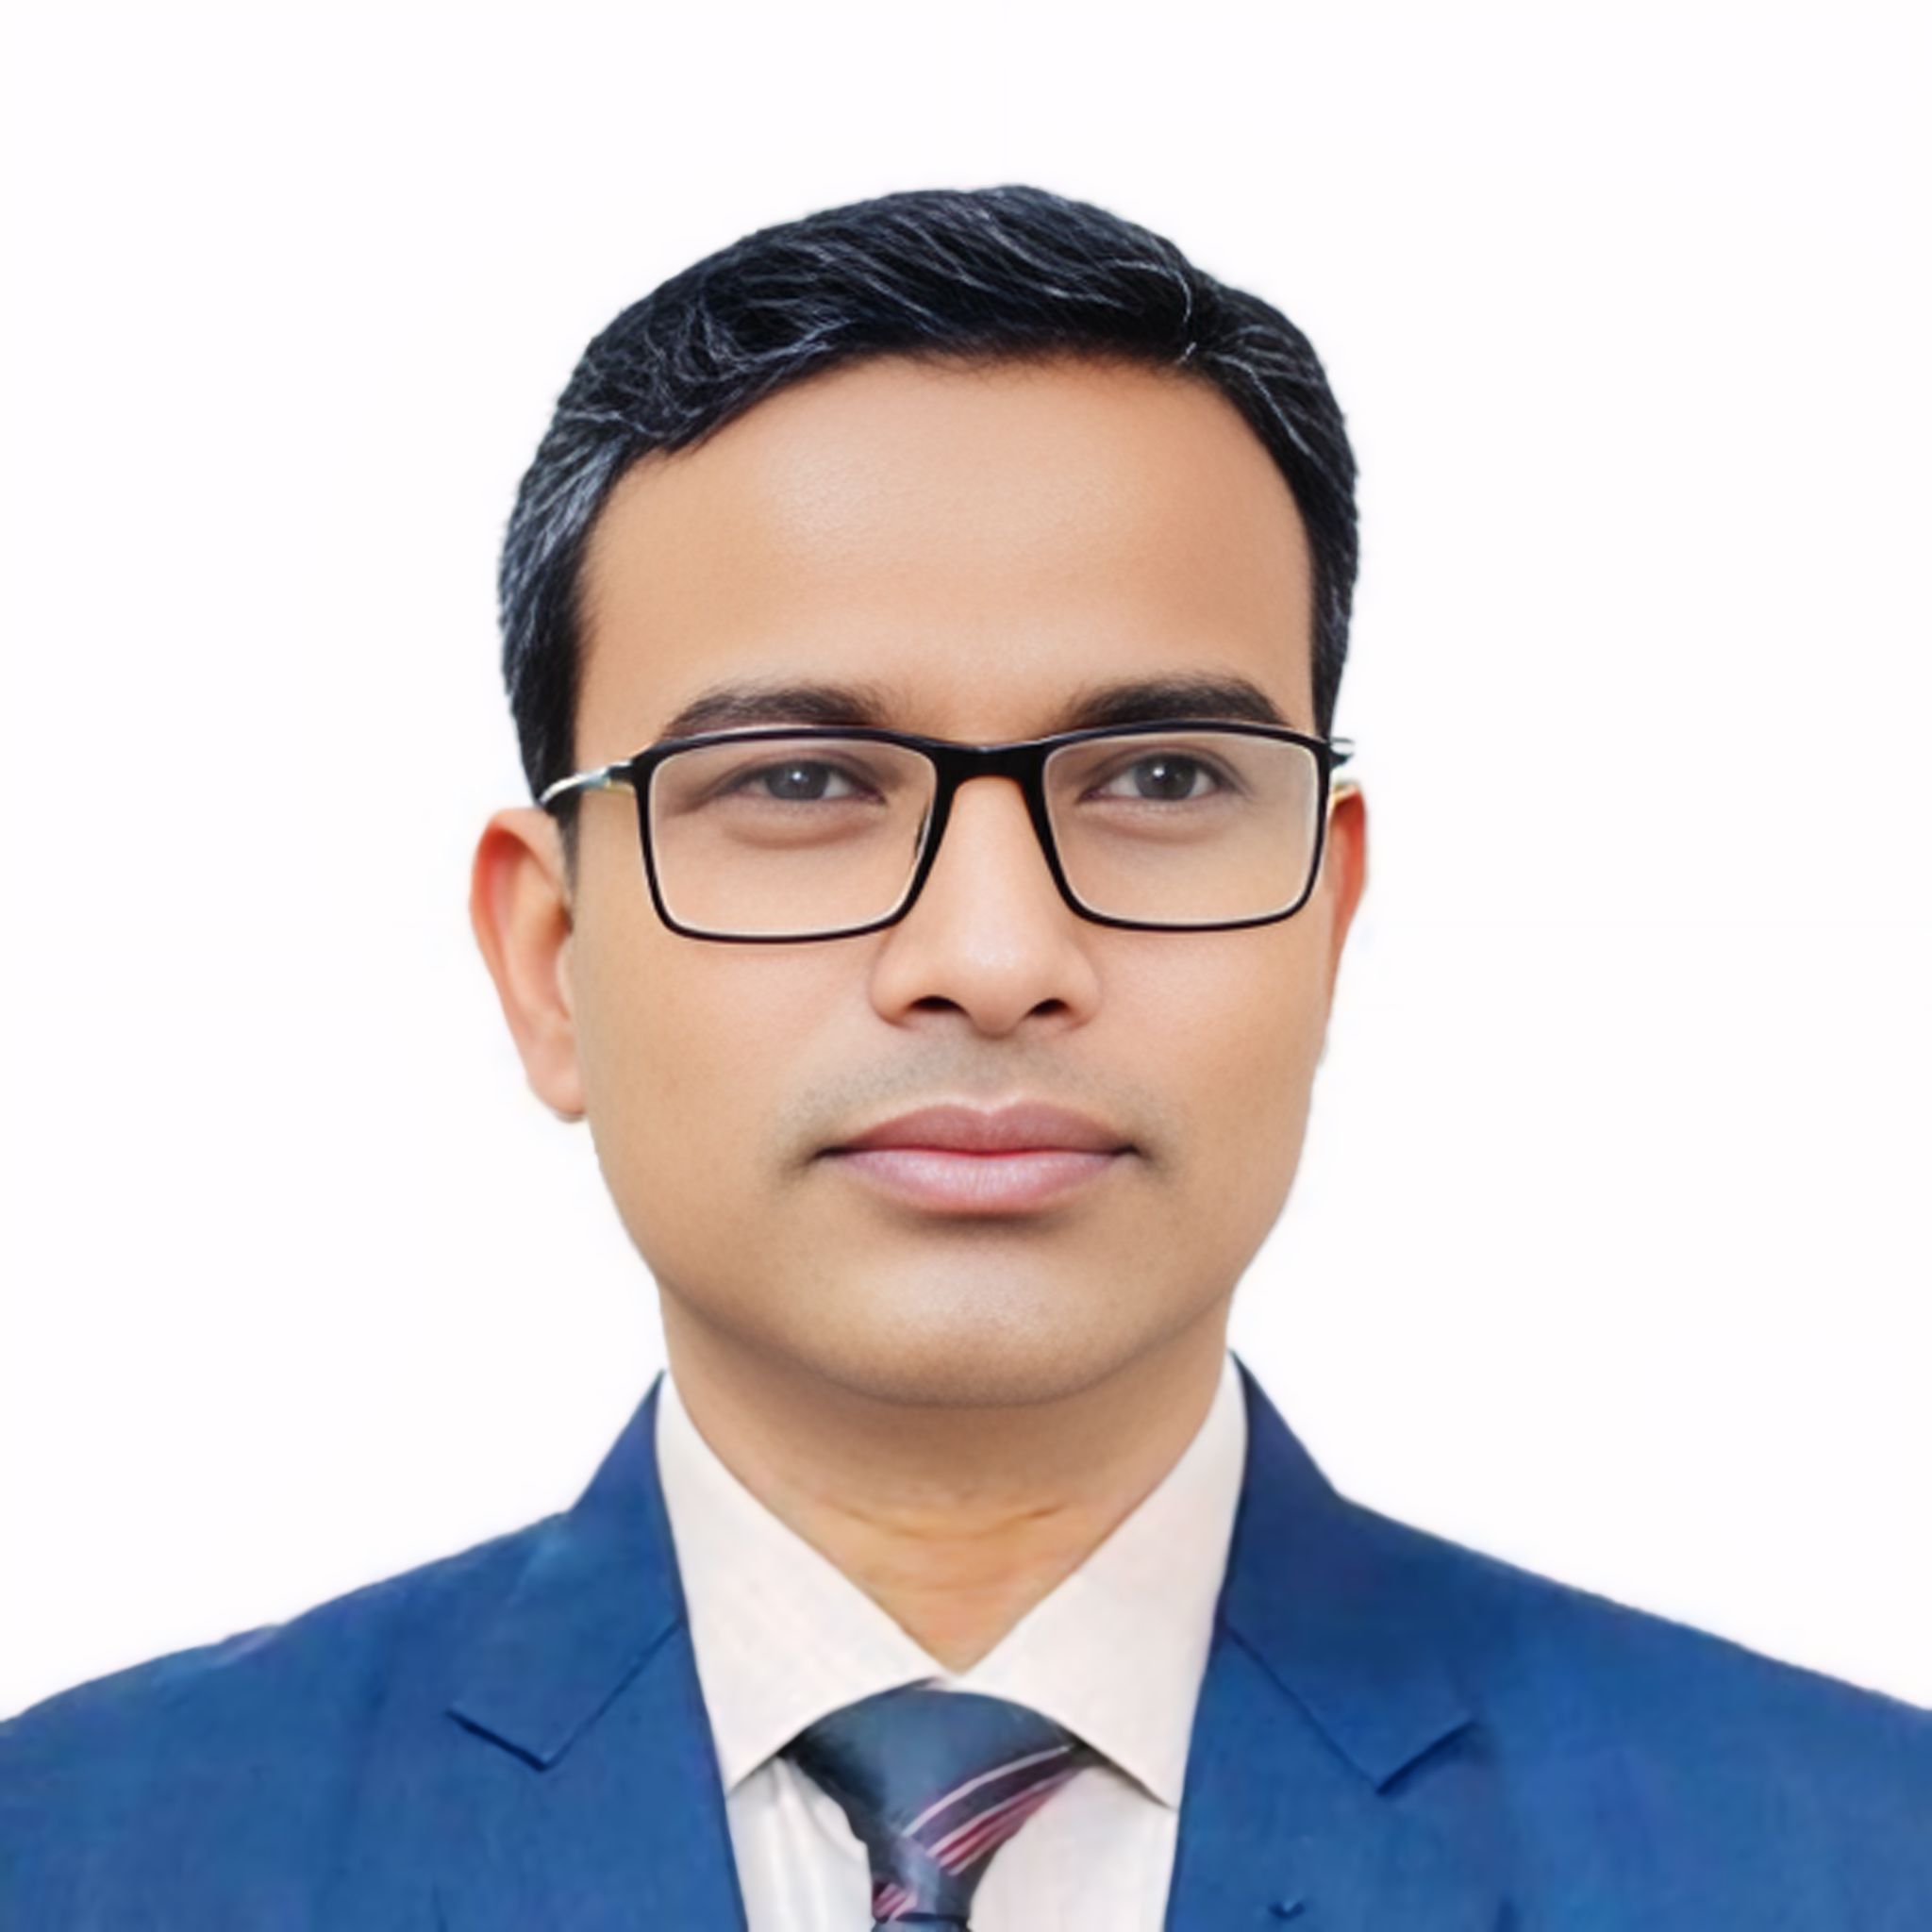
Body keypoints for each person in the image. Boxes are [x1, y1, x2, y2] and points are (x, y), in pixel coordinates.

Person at [2, 182, 1925, 1930]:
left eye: (1160, 778)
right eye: (801, 782)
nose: (995, 960)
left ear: (1327, 920)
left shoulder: (1852, 1859)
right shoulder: (79, 1857)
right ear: (551, 958)